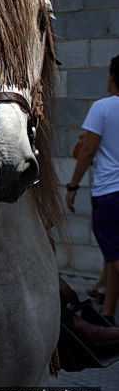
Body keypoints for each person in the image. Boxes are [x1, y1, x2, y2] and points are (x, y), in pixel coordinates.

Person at [66, 55, 119, 326]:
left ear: (111, 78)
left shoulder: (103, 107)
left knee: (114, 253)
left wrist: (73, 186)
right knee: (113, 254)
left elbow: (86, 150)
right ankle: (108, 313)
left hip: (110, 192)